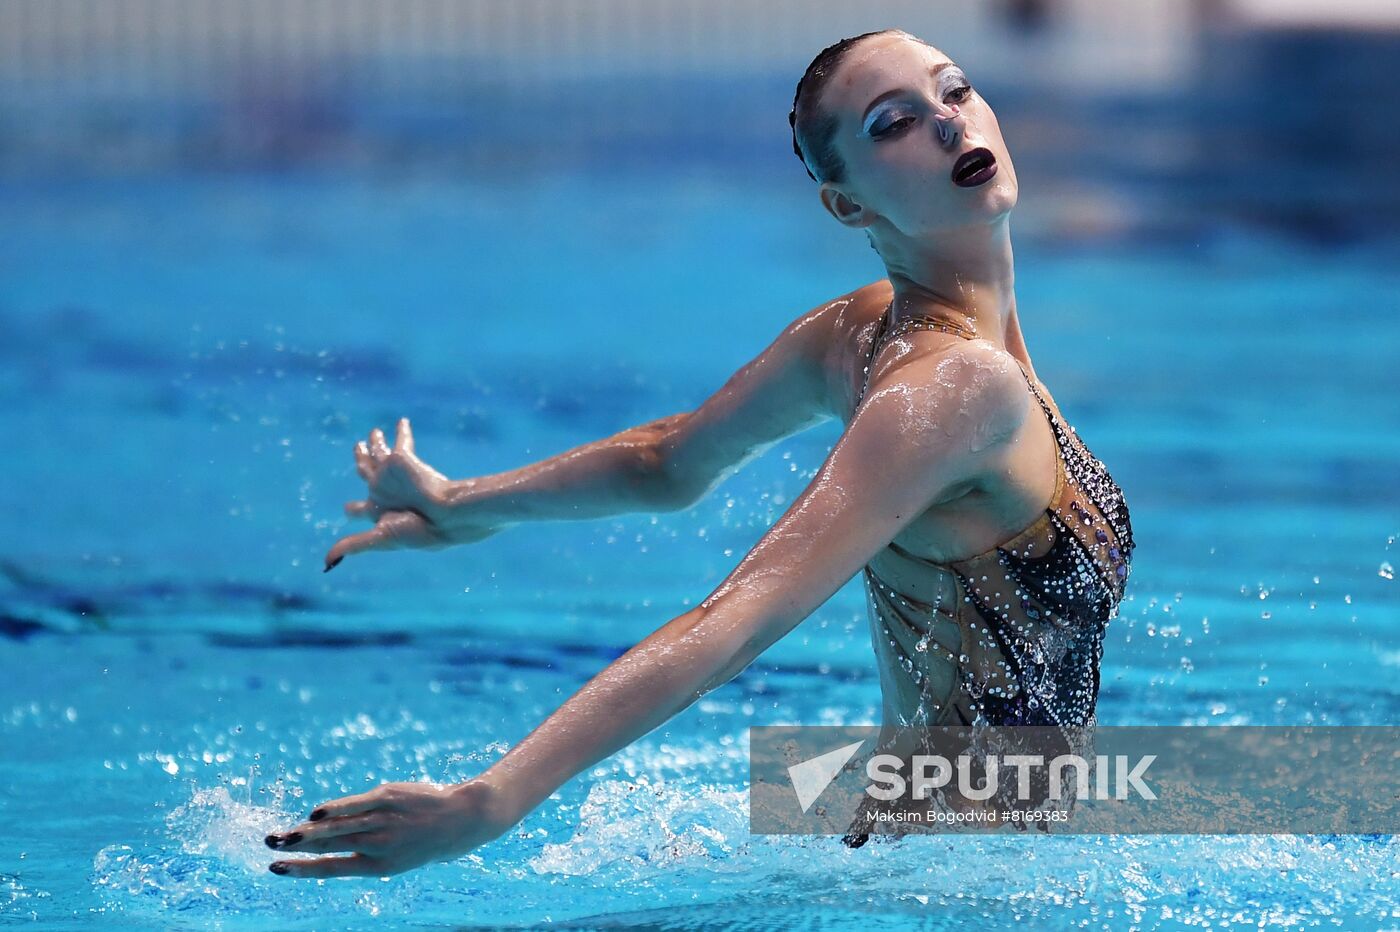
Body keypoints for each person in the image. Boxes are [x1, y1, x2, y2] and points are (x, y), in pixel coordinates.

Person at [264, 27, 1135, 876]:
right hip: (942, 887)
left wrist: (463, 505)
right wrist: (491, 802)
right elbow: (735, 618)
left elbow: (668, 461)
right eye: (892, 123)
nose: (949, 122)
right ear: (848, 204)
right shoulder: (954, 390)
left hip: (932, 862)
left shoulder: (868, 333)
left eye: (953, 89)